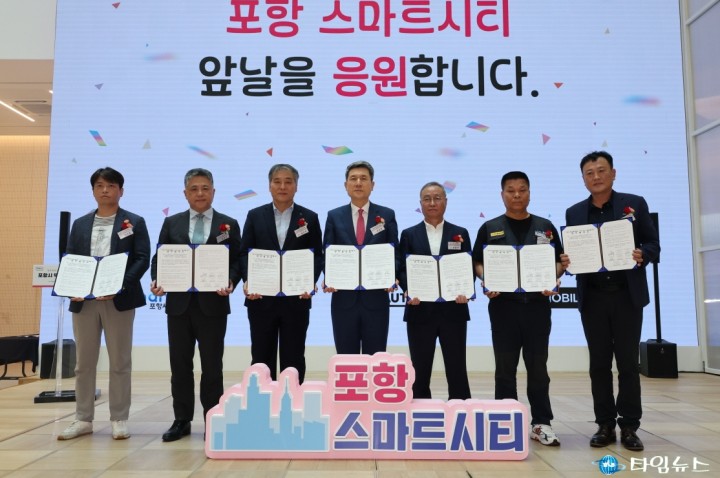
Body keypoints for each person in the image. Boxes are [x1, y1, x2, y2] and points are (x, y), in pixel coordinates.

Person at [563, 151, 659, 451]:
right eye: (589, 173)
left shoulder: (635, 204)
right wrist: (567, 260)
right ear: (583, 179)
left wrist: (643, 254)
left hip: (626, 296)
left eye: (601, 170)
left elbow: (653, 243)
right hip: (593, 298)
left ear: (613, 173)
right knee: (599, 364)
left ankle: (629, 426)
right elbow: (572, 253)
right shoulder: (574, 213)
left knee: (628, 363)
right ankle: (604, 424)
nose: (596, 177)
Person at [58, 167, 150, 441]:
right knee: (83, 363)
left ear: (121, 191)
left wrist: (120, 285)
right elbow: (71, 258)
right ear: (93, 191)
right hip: (84, 302)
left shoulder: (134, 222)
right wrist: (72, 288)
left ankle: (119, 418)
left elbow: (142, 258)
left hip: (118, 300)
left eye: (111, 185)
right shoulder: (80, 224)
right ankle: (83, 418)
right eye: (99, 185)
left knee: (120, 361)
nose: (105, 190)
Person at [150, 168, 241, 442]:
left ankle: (212, 418)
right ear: (185, 193)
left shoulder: (228, 224)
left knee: (212, 366)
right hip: (179, 305)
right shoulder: (172, 223)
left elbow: (237, 260)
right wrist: (157, 279)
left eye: (205, 188)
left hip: (213, 305)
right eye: (194, 189)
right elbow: (160, 257)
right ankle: (181, 420)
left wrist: (231, 280)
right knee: (180, 365)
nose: (200, 193)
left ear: (213, 191)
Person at [472, 171, 563, 447]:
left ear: (529, 193)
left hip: (537, 307)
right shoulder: (490, 228)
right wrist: (486, 279)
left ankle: (541, 423)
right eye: (510, 190)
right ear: (502, 195)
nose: (516, 195)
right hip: (504, 308)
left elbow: (559, 262)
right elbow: (477, 262)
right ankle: (505, 421)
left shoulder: (545, 227)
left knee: (538, 368)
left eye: (522, 190)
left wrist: (553, 278)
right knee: (504, 367)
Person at [239, 164, 323, 383]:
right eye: (277, 181)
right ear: (269, 186)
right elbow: (244, 253)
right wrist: (249, 280)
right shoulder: (255, 215)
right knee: (261, 357)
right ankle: (262, 400)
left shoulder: (310, 217)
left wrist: (310, 281)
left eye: (288, 181)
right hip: (261, 299)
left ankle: (293, 400)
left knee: (294, 357)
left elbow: (317, 255)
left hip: (296, 299)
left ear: (296, 186)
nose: (283, 186)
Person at [398, 181, 472, 400]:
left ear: (445, 202)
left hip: (454, 309)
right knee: (419, 368)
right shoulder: (409, 234)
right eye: (427, 199)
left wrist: (465, 291)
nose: (432, 203)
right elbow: (401, 268)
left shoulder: (460, 233)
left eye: (437, 198)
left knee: (457, 366)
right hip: (419, 309)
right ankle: (420, 409)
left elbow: (467, 267)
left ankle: (460, 409)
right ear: (420, 203)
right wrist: (409, 289)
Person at [323, 160, 400, 354]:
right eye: (353, 178)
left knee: (375, 357)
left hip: (376, 299)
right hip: (343, 300)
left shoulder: (387, 215)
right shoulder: (334, 216)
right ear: (346, 185)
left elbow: (395, 253)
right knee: (346, 358)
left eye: (364, 178)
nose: (358, 183)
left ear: (372, 185)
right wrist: (329, 276)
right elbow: (327, 253)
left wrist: (393, 275)